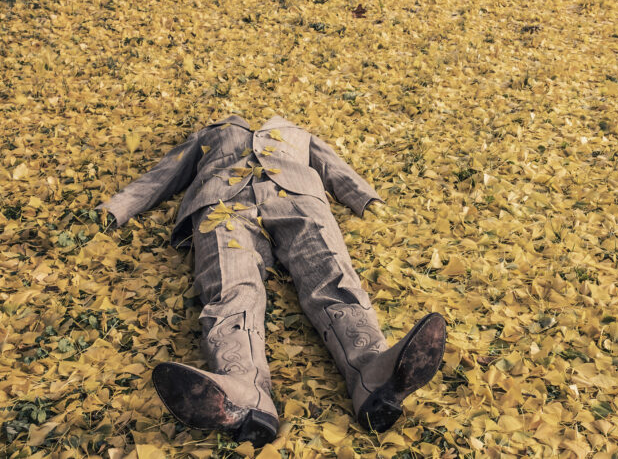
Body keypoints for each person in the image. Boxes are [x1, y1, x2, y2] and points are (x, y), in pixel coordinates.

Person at [97, 114, 446, 446]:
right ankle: (243, 389)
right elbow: (166, 172)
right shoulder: (214, 131)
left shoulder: (295, 131)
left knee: (330, 273)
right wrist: (119, 207)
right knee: (230, 285)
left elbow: (332, 165)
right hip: (222, 202)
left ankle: (373, 370)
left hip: (298, 200)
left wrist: (364, 197)